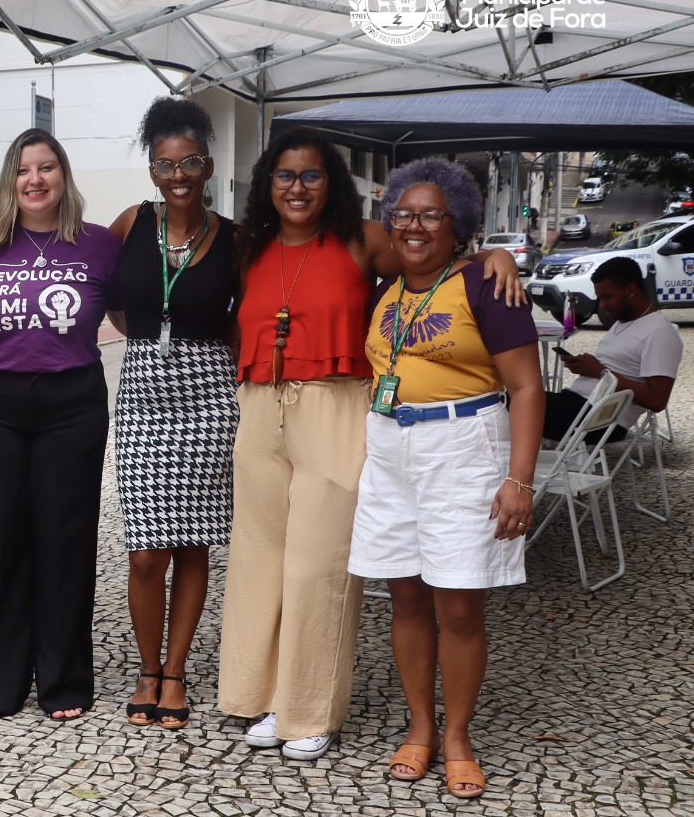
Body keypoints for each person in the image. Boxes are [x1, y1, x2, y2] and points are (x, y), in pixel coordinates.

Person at [217, 128, 523, 761]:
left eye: (311, 175)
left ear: (333, 183)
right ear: (265, 185)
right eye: (283, 175)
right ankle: (264, 696)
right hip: (259, 405)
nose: (297, 187)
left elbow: (431, 251)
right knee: (259, 561)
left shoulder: (363, 239)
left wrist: (498, 255)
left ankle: (309, 712)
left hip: (335, 403)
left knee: (315, 566)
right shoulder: (250, 245)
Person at [347, 159, 541, 799]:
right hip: (390, 445)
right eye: (403, 214)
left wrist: (519, 480)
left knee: (458, 600)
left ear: (457, 224)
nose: (415, 225)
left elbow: (525, 385)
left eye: (431, 214)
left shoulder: (488, 286)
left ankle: (458, 736)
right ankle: (421, 727)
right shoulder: (387, 292)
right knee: (405, 595)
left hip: (462, 445)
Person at [0, 127, 121, 724]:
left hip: (74, 404)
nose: (35, 179)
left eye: (47, 167)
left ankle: (63, 681)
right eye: (23, 169)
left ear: (64, 176)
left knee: (65, 542)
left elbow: (132, 314)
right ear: (10, 181)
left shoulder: (97, 245)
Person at [107, 99, 237, 729]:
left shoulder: (235, 236)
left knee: (192, 544)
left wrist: (489, 256)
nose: (178, 173)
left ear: (207, 165)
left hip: (209, 393)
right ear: (152, 170)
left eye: (189, 162)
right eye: (165, 164)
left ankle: (176, 672)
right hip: (141, 390)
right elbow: (101, 288)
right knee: (144, 552)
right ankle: (146, 669)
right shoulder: (130, 223)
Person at [543, 257, 681, 443]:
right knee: (508, 397)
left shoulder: (659, 332)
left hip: (601, 420)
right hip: (578, 406)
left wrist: (600, 372)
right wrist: (587, 368)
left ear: (631, 290)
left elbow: (657, 400)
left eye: (607, 297)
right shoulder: (624, 322)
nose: (602, 306)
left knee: (511, 404)